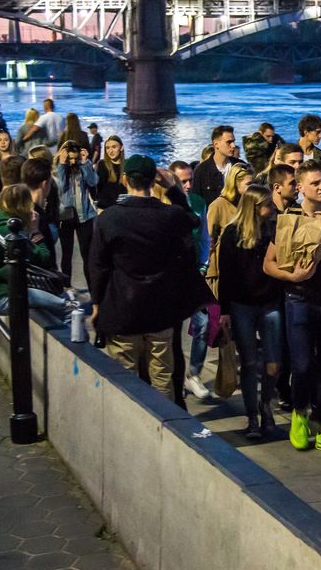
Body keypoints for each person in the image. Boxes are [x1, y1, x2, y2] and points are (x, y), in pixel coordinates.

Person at [88, 155, 213, 401]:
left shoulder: (109, 218)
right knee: (163, 378)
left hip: (123, 309)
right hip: (160, 310)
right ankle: (164, 428)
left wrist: (96, 304)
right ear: (152, 181)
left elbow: (98, 266)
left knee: (125, 378)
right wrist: (173, 189)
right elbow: (192, 220)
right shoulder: (169, 215)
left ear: (125, 180)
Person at [262, 160, 321, 455]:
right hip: (298, 299)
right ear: (300, 187)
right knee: (302, 365)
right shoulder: (287, 218)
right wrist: (291, 276)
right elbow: (269, 265)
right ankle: (299, 414)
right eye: (315, 183)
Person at [217, 185, 283, 438]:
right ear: (255, 207)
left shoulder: (273, 230)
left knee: (273, 363)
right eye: (268, 203)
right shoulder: (233, 234)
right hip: (242, 304)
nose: (273, 207)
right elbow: (227, 275)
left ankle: (265, 404)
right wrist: (224, 311)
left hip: (270, 303)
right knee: (249, 362)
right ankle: (252, 417)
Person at [0, 183, 68, 326]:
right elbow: (42, 258)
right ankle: (74, 346)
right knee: (67, 308)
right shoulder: (9, 229)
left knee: (54, 300)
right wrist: (34, 230)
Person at [168, 160, 212, 402]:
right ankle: (173, 376)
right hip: (172, 277)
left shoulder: (198, 203)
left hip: (194, 273)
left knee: (203, 323)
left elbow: (205, 237)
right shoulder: (164, 203)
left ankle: (193, 373)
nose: (187, 185)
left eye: (190, 180)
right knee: (172, 331)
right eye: (182, 181)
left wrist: (204, 264)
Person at [205, 162, 253, 291]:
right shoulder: (218, 206)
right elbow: (209, 239)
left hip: (243, 268)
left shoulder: (248, 205)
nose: (253, 188)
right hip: (221, 270)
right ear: (235, 183)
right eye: (248, 184)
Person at [54, 140, 98, 280]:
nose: (73, 162)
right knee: (67, 254)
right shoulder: (59, 168)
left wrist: (85, 163)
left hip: (85, 216)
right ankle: (67, 287)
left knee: (87, 254)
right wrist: (62, 164)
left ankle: (93, 290)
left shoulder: (84, 165)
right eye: (70, 158)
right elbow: (61, 187)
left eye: (75, 158)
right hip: (66, 216)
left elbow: (93, 182)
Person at [192, 124, 240, 206]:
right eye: (229, 142)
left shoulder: (240, 166)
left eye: (233, 141)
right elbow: (197, 203)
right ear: (216, 144)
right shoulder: (201, 171)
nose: (233, 145)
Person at [94, 135, 126, 210]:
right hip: (105, 208)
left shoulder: (127, 165)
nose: (110, 151)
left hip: (123, 208)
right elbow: (97, 188)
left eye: (114, 147)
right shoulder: (102, 164)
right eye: (107, 148)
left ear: (121, 147)